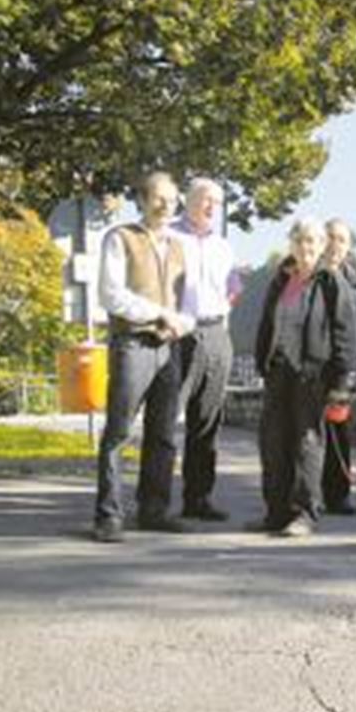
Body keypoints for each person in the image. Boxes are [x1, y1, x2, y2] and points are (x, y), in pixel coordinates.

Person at [93, 171, 194, 543]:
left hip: (169, 347)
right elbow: (111, 295)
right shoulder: (120, 238)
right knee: (118, 432)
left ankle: (154, 510)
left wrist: (180, 322)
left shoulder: (180, 247)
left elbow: (187, 304)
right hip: (132, 345)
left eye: (172, 200)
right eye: (158, 198)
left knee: (164, 434)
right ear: (142, 200)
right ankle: (108, 516)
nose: (166, 206)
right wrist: (159, 313)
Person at [251, 218, 356, 537]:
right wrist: (262, 363)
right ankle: (275, 512)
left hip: (313, 374)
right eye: (299, 240)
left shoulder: (331, 281)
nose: (305, 247)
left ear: (322, 245)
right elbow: (268, 324)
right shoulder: (281, 279)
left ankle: (305, 513)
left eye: (312, 241)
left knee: (306, 443)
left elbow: (346, 334)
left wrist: (340, 384)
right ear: (291, 243)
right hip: (279, 371)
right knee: (273, 442)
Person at [173, 177, 238, 522]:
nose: (212, 207)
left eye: (217, 202)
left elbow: (232, 288)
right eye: (205, 199)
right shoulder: (170, 236)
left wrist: (223, 313)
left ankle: (198, 498)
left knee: (207, 422)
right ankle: (152, 501)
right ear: (188, 201)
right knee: (166, 418)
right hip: (179, 333)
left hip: (216, 333)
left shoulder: (223, 246)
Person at [319, 217, 356, 516]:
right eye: (331, 237)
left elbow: (349, 329)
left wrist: (347, 370)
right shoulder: (308, 273)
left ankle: (338, 496)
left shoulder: (354, 280)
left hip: (340, 369)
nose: (336, 245)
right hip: (309, 365)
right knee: (306, 433)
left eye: (342, 240)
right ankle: (306, 494)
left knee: (338, 433)